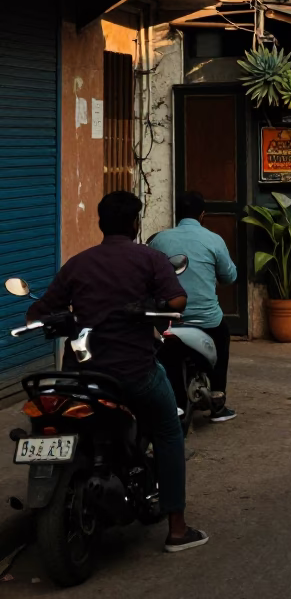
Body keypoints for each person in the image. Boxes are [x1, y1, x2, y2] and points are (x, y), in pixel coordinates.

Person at [27, 191, 208, 552]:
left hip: (80, 377)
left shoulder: (77, 264)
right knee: (169, 432)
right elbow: (177, 302)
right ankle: (176, 527)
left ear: (100, 223)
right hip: (134, 373)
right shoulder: (149, 258)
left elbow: (37, 314)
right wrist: (150, 306)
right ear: (135, 224)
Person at [149, 192, 238, 423]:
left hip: (170, 319)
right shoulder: (213, 240)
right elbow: (229, 276)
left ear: (176, 213)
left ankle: (172, 404)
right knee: (222, 339)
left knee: (162, 356)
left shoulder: (159, 240)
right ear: (202, 215)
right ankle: (218, 401)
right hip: (207, 320)